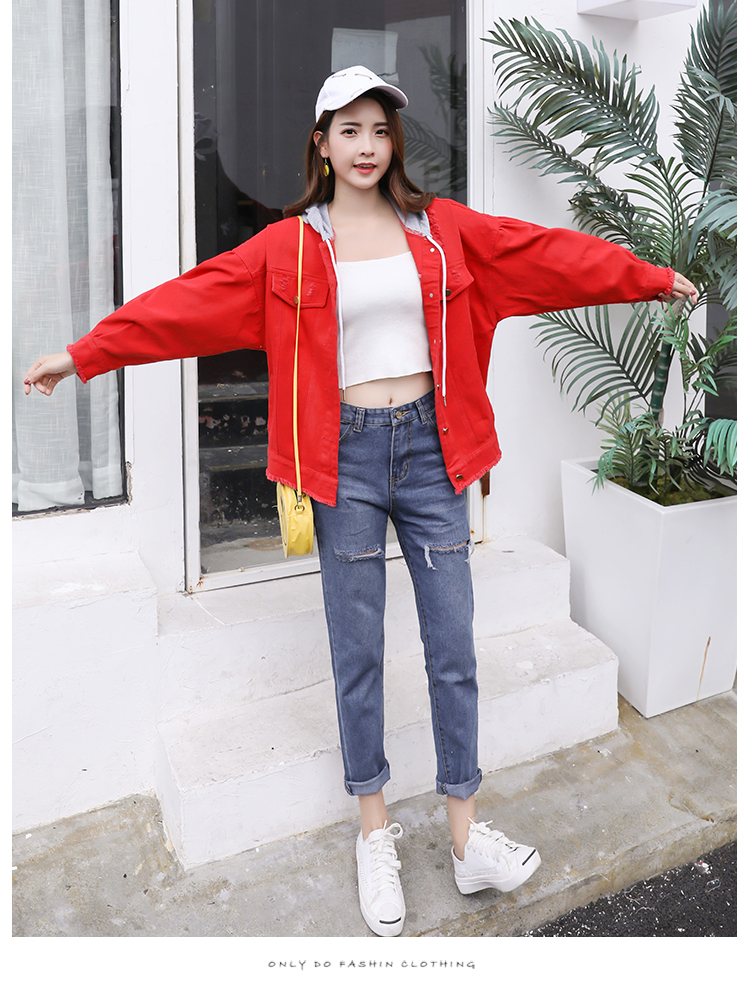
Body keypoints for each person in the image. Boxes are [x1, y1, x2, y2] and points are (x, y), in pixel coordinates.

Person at [24, 65, 698, 937]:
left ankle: (466, 835)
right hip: (342, 457)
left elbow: (547, 256)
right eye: (349, 130)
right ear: (322, 144)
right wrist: (84, 355)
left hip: (432, 453)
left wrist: (648, 277)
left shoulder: (444, 232)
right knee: (358, 652)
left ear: (394, 142)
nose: (367, 146)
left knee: (452, 644)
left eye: (380, 130)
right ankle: (374, 832)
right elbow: (183, 307)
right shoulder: (287, 249)